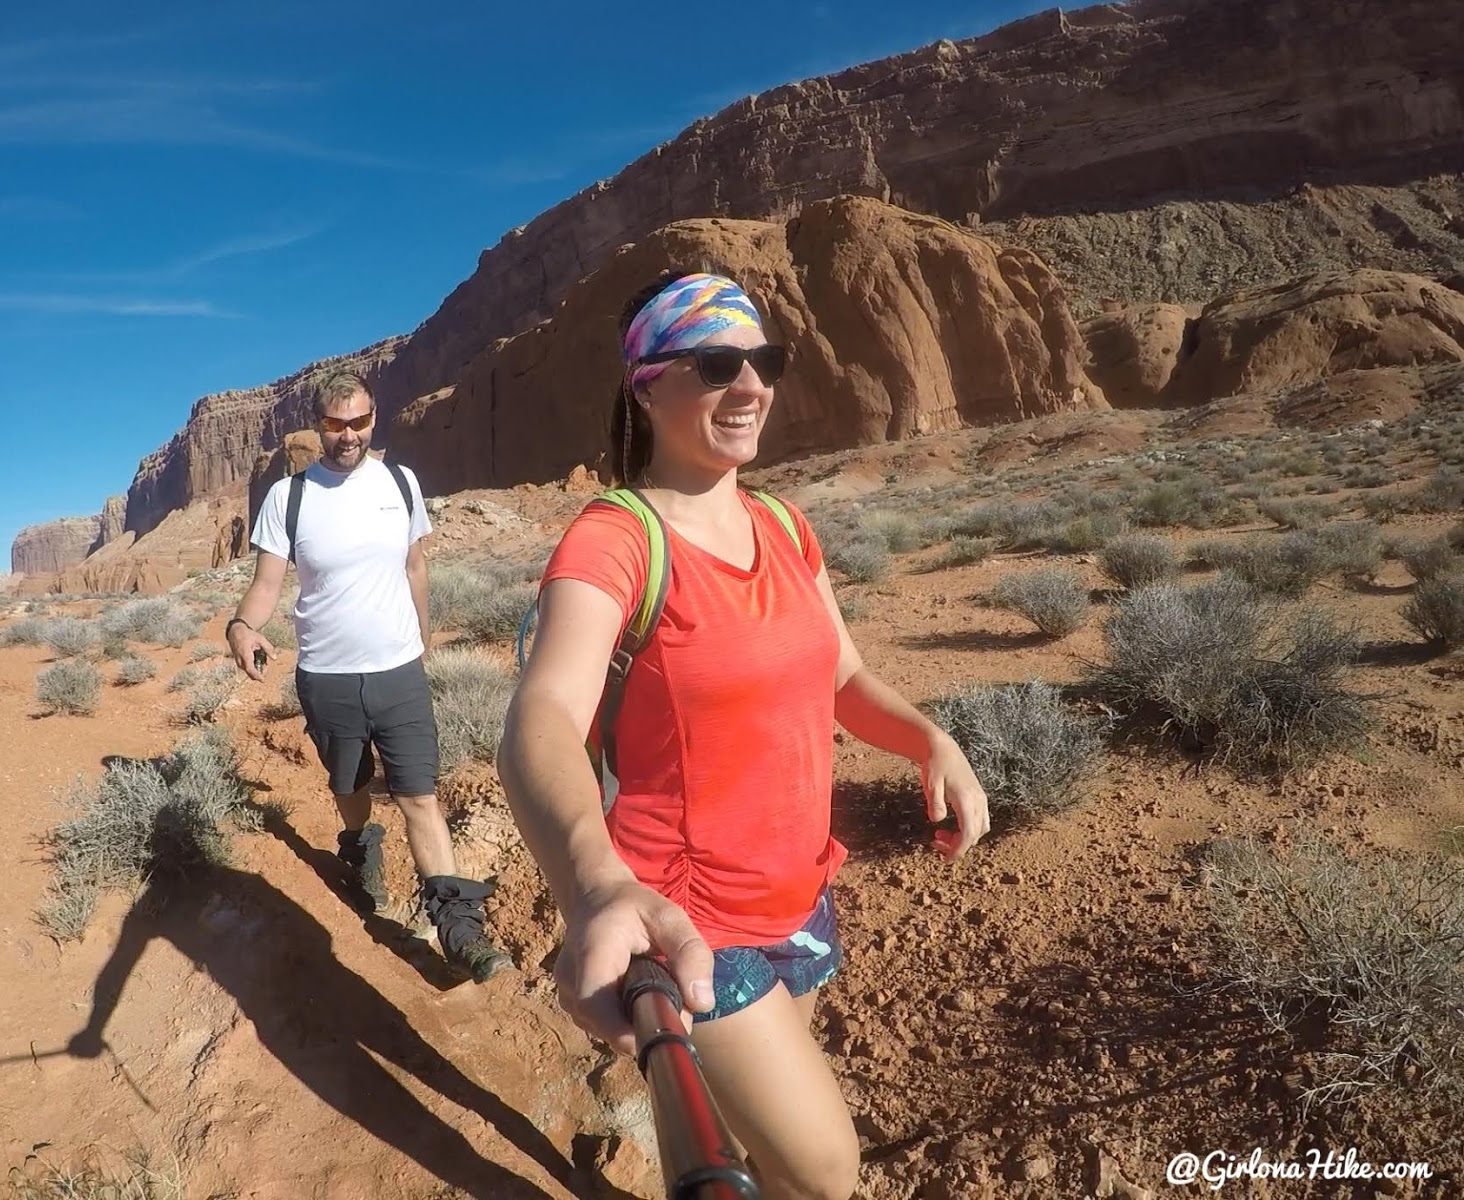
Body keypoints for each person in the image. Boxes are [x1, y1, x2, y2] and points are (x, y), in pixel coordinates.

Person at [496, 270, 992, 1199]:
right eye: (718, 363)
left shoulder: (785, 525)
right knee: (824, 1172)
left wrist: (930, 739)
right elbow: (543, 716)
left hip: (800, 897)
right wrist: (595, 883)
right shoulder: (617, 539)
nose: (752, 386)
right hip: (688, 919)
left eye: (763, 361)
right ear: (648, 384)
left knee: (761, 1124)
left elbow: (842, 674)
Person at [228, 369, 511, 984]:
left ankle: (460, 931)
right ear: (319, 425)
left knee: (419, 796)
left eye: (359, 421)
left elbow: (415, 566)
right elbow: (267, 585)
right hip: (326, 677)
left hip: (398, 673)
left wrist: (421, 641)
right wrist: (242, 628)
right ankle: (360, 850)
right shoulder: (290, 497)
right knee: (349, 785)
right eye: (336, 424)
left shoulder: (402, 485)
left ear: (373, 419)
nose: (348, 435)